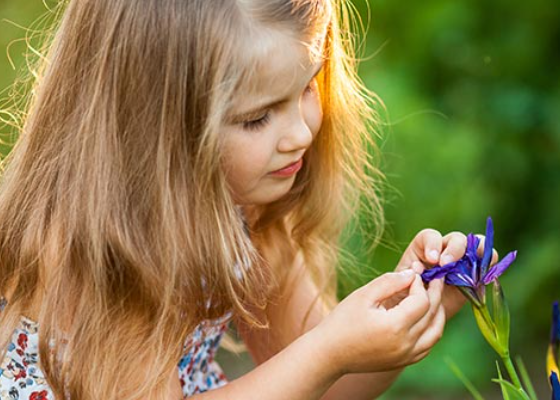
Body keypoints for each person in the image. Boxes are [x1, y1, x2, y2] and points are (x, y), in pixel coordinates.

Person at [0, 0, 478, 399]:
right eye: (257, 119)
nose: (299, 133)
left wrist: (410, 306)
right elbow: (317, 359)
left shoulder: (245, 209)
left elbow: (324, 382)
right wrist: (329, 350)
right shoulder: (97, 247)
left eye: (308, 86)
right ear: (155, 130)